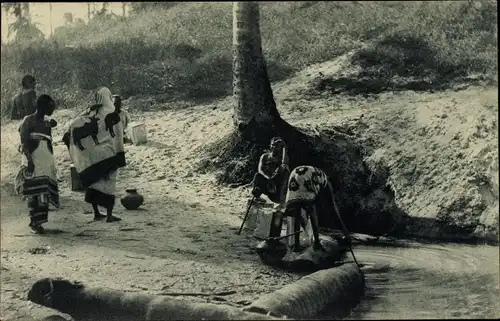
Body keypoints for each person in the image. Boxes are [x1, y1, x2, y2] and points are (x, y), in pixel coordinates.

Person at [64, 86, 126, 222]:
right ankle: (109, 215)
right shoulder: (111, 112)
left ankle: (97, 213)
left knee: (94, 182)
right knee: (110, 182)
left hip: (92, 154)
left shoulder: (91, 111)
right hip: (108, 153)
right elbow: (117, 134)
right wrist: (119, 152)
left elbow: (76, 125)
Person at [18, 94, 60, 234]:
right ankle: (34, 222)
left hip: (46, 160)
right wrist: (29, 161)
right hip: (33, 159)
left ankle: (39, 222)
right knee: (34, 191)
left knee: (43, 192)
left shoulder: (47, 122)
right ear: (43, 106)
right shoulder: (28, 120)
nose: (53, 108)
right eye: (51, 106)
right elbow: (24, 143)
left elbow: (48, 141)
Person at [251, 137, 290, 204]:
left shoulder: (282, 158)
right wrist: (269, 178)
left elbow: (284, 164)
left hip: (276, 189)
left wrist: (284, 146)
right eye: (273, 145)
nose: (274, 147)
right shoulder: (265, 156)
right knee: (258, 176)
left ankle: (280, 199)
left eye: (277, 146)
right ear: (270, 145)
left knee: (285, 169)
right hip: (267, 183)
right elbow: (260, 169)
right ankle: (257, 197)